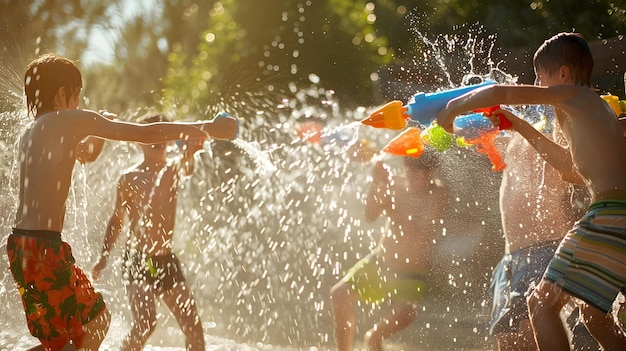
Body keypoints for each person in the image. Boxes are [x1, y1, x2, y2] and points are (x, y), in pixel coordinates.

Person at [5, 53, 238, 351]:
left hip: (25, 248)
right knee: (92, 326)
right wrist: (207, 127)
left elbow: (86, 156)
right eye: (77, 95)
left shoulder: (32, 131)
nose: (78, 102)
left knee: (78, 331)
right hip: (46, 249)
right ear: (62, 94)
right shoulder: (66, 120)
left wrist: (97, 137)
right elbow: (145, 133)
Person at [436, 32, 626, 350]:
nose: (537, 86)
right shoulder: (598, 112)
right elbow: (569, 168)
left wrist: (451, 107)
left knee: (541, 304)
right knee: (593, 315)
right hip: (617, 214)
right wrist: (518, 125)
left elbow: (499, 91)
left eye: (540, 77)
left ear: (563, 74)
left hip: (607, 215)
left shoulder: (573, 96)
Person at [91, 114, 207, 350]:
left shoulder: (173, 169)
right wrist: (103, 257)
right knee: (145, 322)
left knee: (192, 325)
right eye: (151, 135)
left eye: (164, 135)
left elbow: (188, 165)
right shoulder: (129, 178)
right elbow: (117, 220)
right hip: (138, 261)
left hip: (164, 260)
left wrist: (191, 149)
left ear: (171, 140)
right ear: (139, 141)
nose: (157, 140)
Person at [489, 113, 597, 350]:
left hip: (546, 247)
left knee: (530, 331)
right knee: (509, 341)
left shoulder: (562, 120)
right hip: (512, 256)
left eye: (541, 76)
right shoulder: (516, 128)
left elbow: (573, 160)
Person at [330, 149, 448, 351]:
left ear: (432, 172)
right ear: (405, 168)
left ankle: (374, 337)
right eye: (412, 174)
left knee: (405, 315)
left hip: (412, 271)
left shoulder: (438, 193)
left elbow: (423, 235)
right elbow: (370, 215)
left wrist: (394, 210)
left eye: (422, 175)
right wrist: (378, 183)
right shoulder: (395, 184)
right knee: (339, 295)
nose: (416, 180)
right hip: (382, 261)